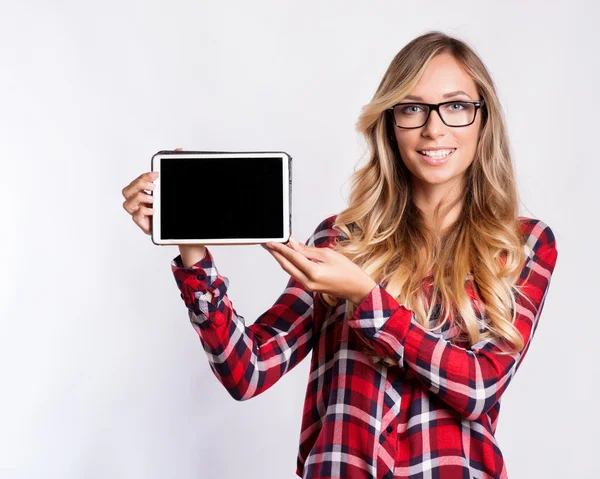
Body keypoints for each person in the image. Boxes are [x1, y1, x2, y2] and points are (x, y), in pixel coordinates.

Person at [121, 31, 558, 479]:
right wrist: (191, 247)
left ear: (484, 120)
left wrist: (366, 297)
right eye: (412, 107)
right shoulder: (339, 240)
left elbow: (479, 386)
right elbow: (248, 371)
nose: (434, 128)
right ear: (389, 122)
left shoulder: (522, 244)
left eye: (456, 106)